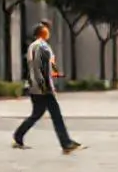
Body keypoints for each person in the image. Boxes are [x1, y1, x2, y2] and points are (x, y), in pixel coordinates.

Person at [13, 20, 83, 154]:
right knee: (56, 115)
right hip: (43, 88)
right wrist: (49, 87)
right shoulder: (42, 47)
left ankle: (18, 135)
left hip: (34, 86)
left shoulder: (33, 46)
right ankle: (66, 142)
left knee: (36, 114)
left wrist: (54, 73)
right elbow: (43, 68)